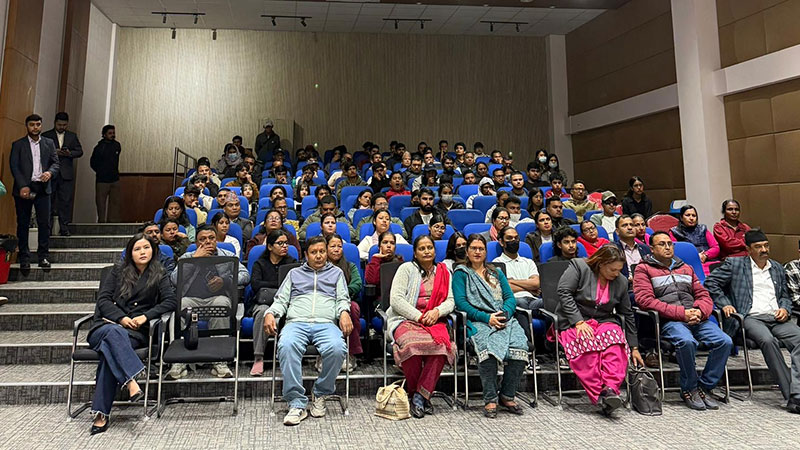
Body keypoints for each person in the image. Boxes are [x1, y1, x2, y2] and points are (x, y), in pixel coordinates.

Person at [85, 233, 176, 434]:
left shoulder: (159, 274)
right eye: (137, 249)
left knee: (109, 353)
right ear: (130, 253)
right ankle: (131, 378)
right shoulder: (117, 271)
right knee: (113, 333)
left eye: (146, 248)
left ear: (153, 250)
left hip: (134, 332)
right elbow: (103, 300)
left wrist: (145, 317)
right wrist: (121, 318)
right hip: (105, 327)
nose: (142, 252)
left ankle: (101, 413)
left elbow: (170, 301)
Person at [634, 231, 732, 410]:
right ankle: (689, 388)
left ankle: (704, 387)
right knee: (686, 342)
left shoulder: (685, 267)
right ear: (652, 249)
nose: (667, 247)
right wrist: (682, 313)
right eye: (662, 244)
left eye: (669, 244)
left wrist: (700, 312)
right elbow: (645, 301)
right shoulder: (644, 269)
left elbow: (703, 295)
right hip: (670, 320)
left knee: (724, 342)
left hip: (696, 318)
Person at [705, 230, 800, 413]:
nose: (764, 250)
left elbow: (785, 296)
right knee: (768, 340)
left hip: (776, 316)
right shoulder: (735, 265)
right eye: (758, 247)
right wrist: (725, 304)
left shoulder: (777, 267)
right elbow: (711, 283)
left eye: (766, 246)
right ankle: (792, 395)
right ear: (748, 249)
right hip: (749, 317)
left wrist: (785, 308)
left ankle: (798, 392)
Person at [263, 236, 351, 426]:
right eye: (314, 252)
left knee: (337, 349)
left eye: (322, 251)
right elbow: (281, 300)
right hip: (297, 323)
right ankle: (296, 402)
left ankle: (320, 393)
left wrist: (344, 312)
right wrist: (270, 313)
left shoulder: (336, 273)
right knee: (286, 346)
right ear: (306, 254)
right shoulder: (294, 274)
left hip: (326, 323)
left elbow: (342, 299)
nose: (319, 256)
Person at [554, 245, 642, 415]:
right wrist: (578, 321)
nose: (616, 274)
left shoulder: (621, 281)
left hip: (603, 320)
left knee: (615, 340)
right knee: (587, 342)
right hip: (575, 319)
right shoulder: (580, 266)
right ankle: (600, 391)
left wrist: (634, 346)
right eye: (612, 269)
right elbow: (564, 292)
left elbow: (627, 313)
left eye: (619, 270)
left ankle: (610, 389)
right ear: (601, 264)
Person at [453, 235, 528, 418]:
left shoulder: (496, 272)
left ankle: (507, 395)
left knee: (520, 347)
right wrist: (487, 318)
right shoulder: (461, 273)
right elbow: (461, 304)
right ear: (467, 251)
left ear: (486, 252)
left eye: (481, 248)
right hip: (478, 321)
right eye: (473, 248)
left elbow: (509, 298)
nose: (477, 252)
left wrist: (504, 315)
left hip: (504, 319)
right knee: (487, 350)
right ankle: (490, 398)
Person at [385, 235, 455, 418]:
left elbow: (451, 300)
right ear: (415, 253)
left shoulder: (444, 271)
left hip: (434, 320)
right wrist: (419, 316)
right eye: (422, 248)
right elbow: (396, 300)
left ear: (435, 251)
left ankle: (419, 395)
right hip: (406, 319)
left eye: (429, 248)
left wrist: (437, 312)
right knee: (412, 345)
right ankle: (421, 394)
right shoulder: (406, 269)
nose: (426, 251)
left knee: (442, 346)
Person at [167, 225, 250, 380]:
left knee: (222, 303)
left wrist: (225, 281)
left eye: (211, 238)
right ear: (196, 242)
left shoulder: (228, 255)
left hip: (217, 298)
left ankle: (220, 359)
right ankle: (179, 361)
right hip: (192, 300)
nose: (208, 242)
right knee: (180, 306)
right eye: (202, 239)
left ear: (216, 240)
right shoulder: (187, 257)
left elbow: (245, 275)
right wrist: (194, 260)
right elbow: (174, 280)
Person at [9, 114, 59, 269]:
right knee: (23, 223)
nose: (35, 127)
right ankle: (24, 257)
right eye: (32, 125)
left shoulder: (49, 143)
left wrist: (50, 172)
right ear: (27, 126)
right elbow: (14, 166)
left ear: (41, 125)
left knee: (44, 223)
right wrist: (22, 185)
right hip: (24, 188)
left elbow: (56, 163)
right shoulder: (18, 144)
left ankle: (43, 256)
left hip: (43, 187)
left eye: (38, 124)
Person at [493, 226, 541, 346]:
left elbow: (536, 283)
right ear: (501, 242)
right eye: (509, 238)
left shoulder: (528, 262)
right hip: (514, 301)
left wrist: (512, 281)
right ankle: (527, 345)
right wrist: (529, 286)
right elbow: (505, 289)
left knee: (553, 302)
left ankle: (552, 344)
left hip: (533, 300)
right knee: (520, 303)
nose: (514, 241)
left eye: (516, 238)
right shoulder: (496, 264)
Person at [325, 234, 363, 372]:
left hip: (347, 300)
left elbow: (357, 284)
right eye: (333, 246)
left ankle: (350, 353)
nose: (336, 249)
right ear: (326, 248)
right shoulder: (321, 266)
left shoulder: (349, 266)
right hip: (325, 301)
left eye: (339, 246)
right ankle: (324, 354)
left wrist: (342, 292)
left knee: (352, 308)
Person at [42, 112, 82, 236]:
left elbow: (80, 151)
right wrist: (54, 152)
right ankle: (47, 229)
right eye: (59, 125)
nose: (62, 127)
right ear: (55, 123)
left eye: (64, 125)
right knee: (49, 201)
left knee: (65, 202)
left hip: (66, 174)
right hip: (50, 174)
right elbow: (41, 152)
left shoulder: (72, 136)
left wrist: (69, 153)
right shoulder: (46, 135)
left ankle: (64, 228)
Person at [669, 205, 720, 276]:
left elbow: (715, 247)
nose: (691, 218)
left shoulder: (703, 229)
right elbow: (674, 252)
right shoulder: (674, 232)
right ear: (681, 218)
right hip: (689, 265)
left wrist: (705, 255)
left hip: (709, 261)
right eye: (687, 215)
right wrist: (695, 257)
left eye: (694, 215)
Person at [89, 124, 121, 223]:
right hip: (102, 180)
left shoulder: (117, 145)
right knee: (101, 204)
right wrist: (101, 171)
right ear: (104, 134)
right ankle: (101, 223)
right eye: (110, 133)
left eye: (113, 133)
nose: (113, 135)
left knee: (115, 203)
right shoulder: (99, 147)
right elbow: (93, 163)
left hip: (115, 179)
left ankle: (113, 223)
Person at [364, 230, 404, 296]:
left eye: (392, 243)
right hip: (380, 297)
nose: (389, 245)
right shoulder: (374, 262)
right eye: (385, 242)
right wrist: (376, 259)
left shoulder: (399, 262)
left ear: (395, 247)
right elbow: (372, 281)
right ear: (379, 246)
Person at [615, 215, 651, 280]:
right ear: (617, 231)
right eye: (625, 225)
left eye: (632, 225)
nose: (630, 228)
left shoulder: (645, 248)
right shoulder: (613, 249)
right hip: (626, 284)